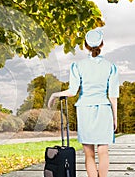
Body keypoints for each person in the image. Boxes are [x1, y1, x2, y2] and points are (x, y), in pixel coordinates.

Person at [48, 28, 119, 177]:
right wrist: (115, 118)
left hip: (85, 110)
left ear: (85, 45)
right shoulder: (110, 66)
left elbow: (72, 91)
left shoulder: (78, 66)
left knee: (89, 155)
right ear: (102, 44)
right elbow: (113, 95)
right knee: (103, 152)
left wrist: (55, 94)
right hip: (104, 110)